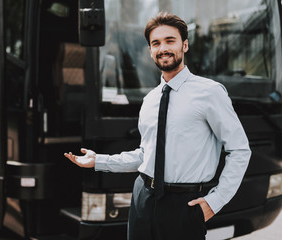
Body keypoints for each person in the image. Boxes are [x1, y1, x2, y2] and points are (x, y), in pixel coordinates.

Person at [64, 12, 251, 240]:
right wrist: (100, 161)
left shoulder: (210, 92)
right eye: (156, 43)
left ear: (185, 45)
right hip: (142, 198)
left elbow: (239, 149)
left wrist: (215, 201)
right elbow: (146, 154)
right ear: (151, 51)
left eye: (170, 41)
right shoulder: (150, 99)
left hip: (185, 205)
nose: (163, 48)